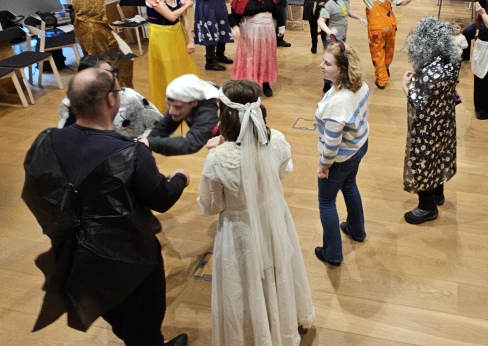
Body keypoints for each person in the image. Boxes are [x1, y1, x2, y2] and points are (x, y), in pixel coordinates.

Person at [22, 67, 189, 346]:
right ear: (111, 99)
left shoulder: (45, 141)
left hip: (76, 253)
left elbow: (39, 191)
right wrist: (180, 178)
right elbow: (162, 200)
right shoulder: (133, 152)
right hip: (128, 255)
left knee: (115, 310)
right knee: (143, 317)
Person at [198, 80, 315, 346]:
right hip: (274, 218)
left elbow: (211, 206)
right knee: (278, 270)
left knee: (244, 282)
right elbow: (284, 172)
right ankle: (283, 324)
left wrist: (218, 149)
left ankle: (255, 335)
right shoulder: (278, 141)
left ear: (226, 116)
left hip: (239, 230)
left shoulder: (219, 159)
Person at [314, 43, 370, 265]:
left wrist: (324, 165)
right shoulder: (360, 84)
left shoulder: (339, 103)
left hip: (340, 157)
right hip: (358, 146)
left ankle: (333, 253)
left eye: (328, 64)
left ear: (343, 69)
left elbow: (331, 144)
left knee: (326, 201)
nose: (321, 66)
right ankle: (357, 230)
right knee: (349, 185)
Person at [400, 17, 460, 224]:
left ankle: (427, 207)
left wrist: (406, 85)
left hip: (426, 128)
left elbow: (417, 101)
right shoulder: (451, 62)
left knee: (423, 161)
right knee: (439, 155)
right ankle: (437, 194)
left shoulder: (429, 74)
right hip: (444, 122)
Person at [348, 0, 418, 89]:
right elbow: (402, 2)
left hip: (376, 27)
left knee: (378, 51)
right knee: (389, 48)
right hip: (390, 25)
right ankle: (386, 67)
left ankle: (382, 80)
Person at [57, 55, 161, 138]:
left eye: (113, 71)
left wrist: (142, 142)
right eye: (108, 73)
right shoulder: (70, 104)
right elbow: (64, 137)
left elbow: (158, 125)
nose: (114, 76)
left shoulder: (130, 96)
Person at [145, 0, 199, 112]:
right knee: (165, 69)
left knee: (180, 67)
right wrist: (187, 5)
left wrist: (190, 41)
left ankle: (185, 101)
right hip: (161, 36)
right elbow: (171, 16)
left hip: (176, 34)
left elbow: (184, 20)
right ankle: (169, 104)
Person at [230, 0, 284, 97]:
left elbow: (277, 12)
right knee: (251, 58)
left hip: (267, 34)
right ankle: (250, 85)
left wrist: (281, 26)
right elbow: (233, 16)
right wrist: (235, 26)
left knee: (266, 57)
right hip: (250, 35)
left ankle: (266, 84)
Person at [141, 74, 220, 156]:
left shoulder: (209, 112)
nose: (171, 112)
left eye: (178, 107)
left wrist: (151, 142)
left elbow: (190, 144)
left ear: (194, 102)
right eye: (168, 104)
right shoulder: (184, 102)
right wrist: (146, 141)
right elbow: (162, 129)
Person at [317, 0, 368, 92]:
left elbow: (348, 11)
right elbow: (320, 21)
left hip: (341, 37)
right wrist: (330, 32)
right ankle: (327, 84)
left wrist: (359, 17)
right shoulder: (329, 5)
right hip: (331, 40)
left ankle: (336, 80)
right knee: (330, 61)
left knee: (338, 60)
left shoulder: (345, 0)